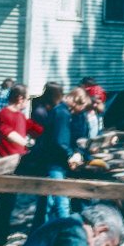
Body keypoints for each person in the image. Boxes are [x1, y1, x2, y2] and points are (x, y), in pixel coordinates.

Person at [0, 84, 44, 246]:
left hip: (17, 164)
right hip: (5, 165)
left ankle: (1, 237)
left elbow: (34, 128)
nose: (27, 102)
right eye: (27, 99)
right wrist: (27, 143)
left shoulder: (20, 116)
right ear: (20, 98)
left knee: (10, 202)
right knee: (4, 203)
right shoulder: (3, 114)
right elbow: (7, 133)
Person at [31, 89, 81, 230]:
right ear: (73, 99)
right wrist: (70, 154)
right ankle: (64, 233)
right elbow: (60, 141)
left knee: (49, 202)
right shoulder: (62, 113)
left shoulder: (59, 111)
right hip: (55, 162)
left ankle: (43, 232)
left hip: (52, 160)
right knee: (60, 202)